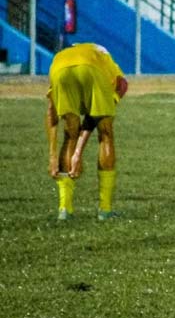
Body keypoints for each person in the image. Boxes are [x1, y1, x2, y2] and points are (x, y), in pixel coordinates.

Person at [45, 42, 128, 221]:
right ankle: (105, 210)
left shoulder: (63, 55)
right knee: (106, 133)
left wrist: (52, 155)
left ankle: (64, 210)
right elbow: (95, 117)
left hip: (59, 70)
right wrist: (78, 153)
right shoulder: (117, 76)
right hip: (92, 68)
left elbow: (51, 112)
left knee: (69, 134)